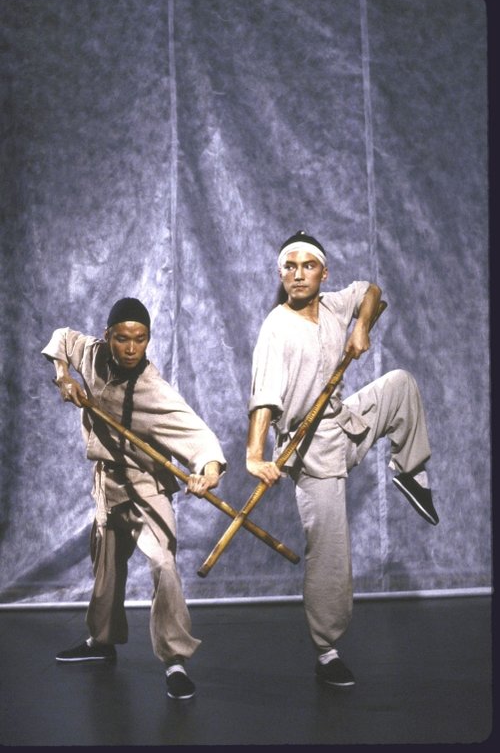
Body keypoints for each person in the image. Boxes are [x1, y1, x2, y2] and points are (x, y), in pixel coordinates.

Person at [246, 231, 439, 689]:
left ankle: (409, 472)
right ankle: (328, 650)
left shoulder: (334, 304)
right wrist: (255, 454)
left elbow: (372, 291)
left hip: (342, 423)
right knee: (331, 552)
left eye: (307, 265)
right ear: (280, 275)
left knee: (398, 384)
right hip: (309, 451)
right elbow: (264, 398)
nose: (297, 274)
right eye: (288, 267)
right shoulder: (276, 328)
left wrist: (361, 326)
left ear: (322, 272)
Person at [42, 297, 226, 700]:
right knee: (106, 570)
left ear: (148, 341)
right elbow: (61, 339)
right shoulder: (91, 354)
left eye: (139, 340)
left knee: (162, 562)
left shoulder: (153, 390)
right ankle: (101, 643)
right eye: (122, 339)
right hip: (107, 485)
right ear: (108, 337)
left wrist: (208, 471)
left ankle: (175, 660)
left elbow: (200, 437)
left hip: (146, 488)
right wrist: (62, 377)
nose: (130, 349)